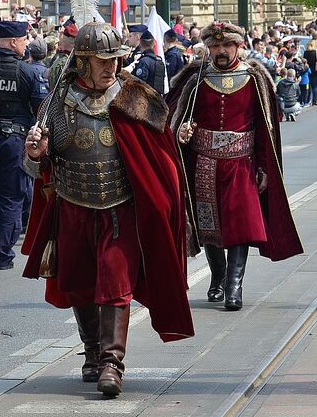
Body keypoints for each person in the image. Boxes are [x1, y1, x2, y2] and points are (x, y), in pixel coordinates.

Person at [22, 21, 193, 397]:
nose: (111, 68)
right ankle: (93, 350)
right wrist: (35, 155)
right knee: (80, 284)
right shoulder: (57, 101)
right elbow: (40, 166)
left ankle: (112, 364)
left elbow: (159, 157)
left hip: (121, 210)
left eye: (115, 59)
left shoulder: (137, 98)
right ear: (82, 62)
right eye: (102, 61)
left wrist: (163, 200)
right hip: (73, 206)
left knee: (116, 284)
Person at [168, 22, 303, 311]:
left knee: (240, 225)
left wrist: (265, 167)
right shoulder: (195, 78)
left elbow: (266, 128)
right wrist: (181, 132)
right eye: (215, 46)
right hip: (203, 162)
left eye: (226, 45)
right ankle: (217, 276)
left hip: (242, 163)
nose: (220, 51)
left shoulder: (255, 78)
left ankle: (234, 286)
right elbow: (174, 119)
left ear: (238, 46)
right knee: (208, 224)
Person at [0, 20, 47, 270]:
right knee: (11, 198)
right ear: (14, 42)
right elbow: (42, 111)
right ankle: (3, 256)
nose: (27, 45)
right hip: (14, 141)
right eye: (24, 40)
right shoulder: (29, 72)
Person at [132, 30, 165, 94]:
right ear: (153, 44)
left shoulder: (143, 61)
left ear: (140, 44)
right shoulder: (159, 61)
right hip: (158, 99)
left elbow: (139, 84)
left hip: (146, 99)